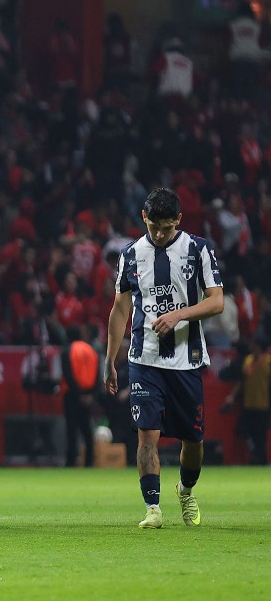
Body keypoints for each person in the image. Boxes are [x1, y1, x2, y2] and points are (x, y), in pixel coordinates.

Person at [105, 187, 224, 529]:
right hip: (144, 360)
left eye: (167, 228)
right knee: (146, 435)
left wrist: (178, 315)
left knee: (193, 441)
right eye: (154, 226)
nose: (159, 234)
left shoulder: (198, 250)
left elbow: (217, 301)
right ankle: (153, 509)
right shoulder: (130, 255)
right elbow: (120, 308)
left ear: (179, 221)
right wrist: (110, 359)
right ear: (144, 217)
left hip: (186, 362)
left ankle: (186, 491)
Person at [222, 340, 270, 465]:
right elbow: (242, 380)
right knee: (245, 431)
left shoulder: (267, 361)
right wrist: (232, 396)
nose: (251, 347)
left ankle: (262, 460)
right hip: (248, 403)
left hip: (263, 404)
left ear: (259, 347)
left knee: (260, 434)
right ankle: (253, 456)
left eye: (254, 345)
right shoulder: (248, 360)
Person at [62, 326, 99, 467]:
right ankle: (89, 462)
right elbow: (97, 373)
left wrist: (79, 394)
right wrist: (91, 395)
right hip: (88, 394)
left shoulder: (67, 350)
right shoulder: (91, 350)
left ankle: (71, 461)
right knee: (86, 429)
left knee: (71, 429)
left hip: (73, 395)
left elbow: (69, 375)